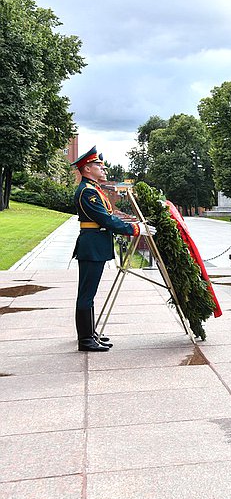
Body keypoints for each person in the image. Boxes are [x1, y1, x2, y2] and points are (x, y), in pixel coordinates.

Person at [72, 147, 147, 352]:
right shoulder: (87, 192)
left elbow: (109, 217)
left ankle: (90, 333)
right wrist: (135, 228)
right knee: (86, 294)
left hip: (95, 245)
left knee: (89, 292)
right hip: (91, 246)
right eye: (98, 165)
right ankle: (85, 339)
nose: (103, 168)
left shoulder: (94, 189)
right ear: (87, 168)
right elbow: (105, 219)